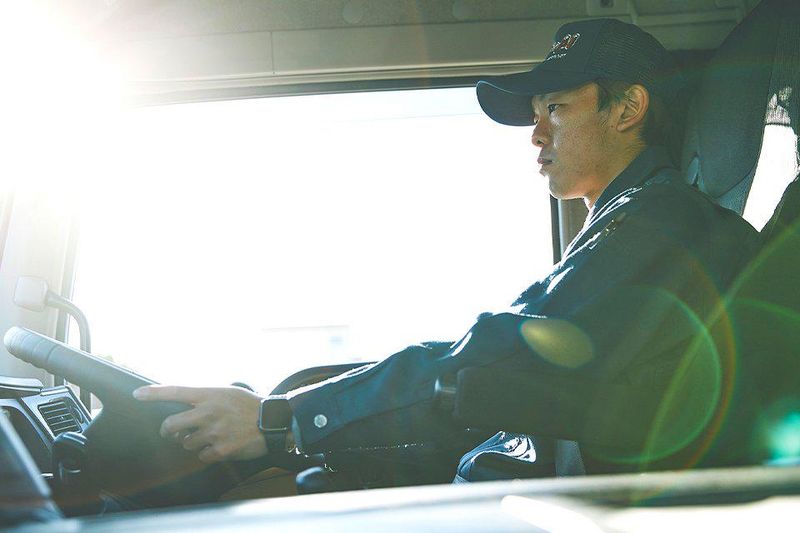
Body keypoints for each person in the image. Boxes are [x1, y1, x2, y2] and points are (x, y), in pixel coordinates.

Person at [134, 18, 760, 488]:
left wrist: (284, 420)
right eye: (536, 114)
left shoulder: (660, 223)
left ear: (628, 109)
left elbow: (500, 355)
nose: (536, 134)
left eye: (556, 108)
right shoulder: (631, 220)